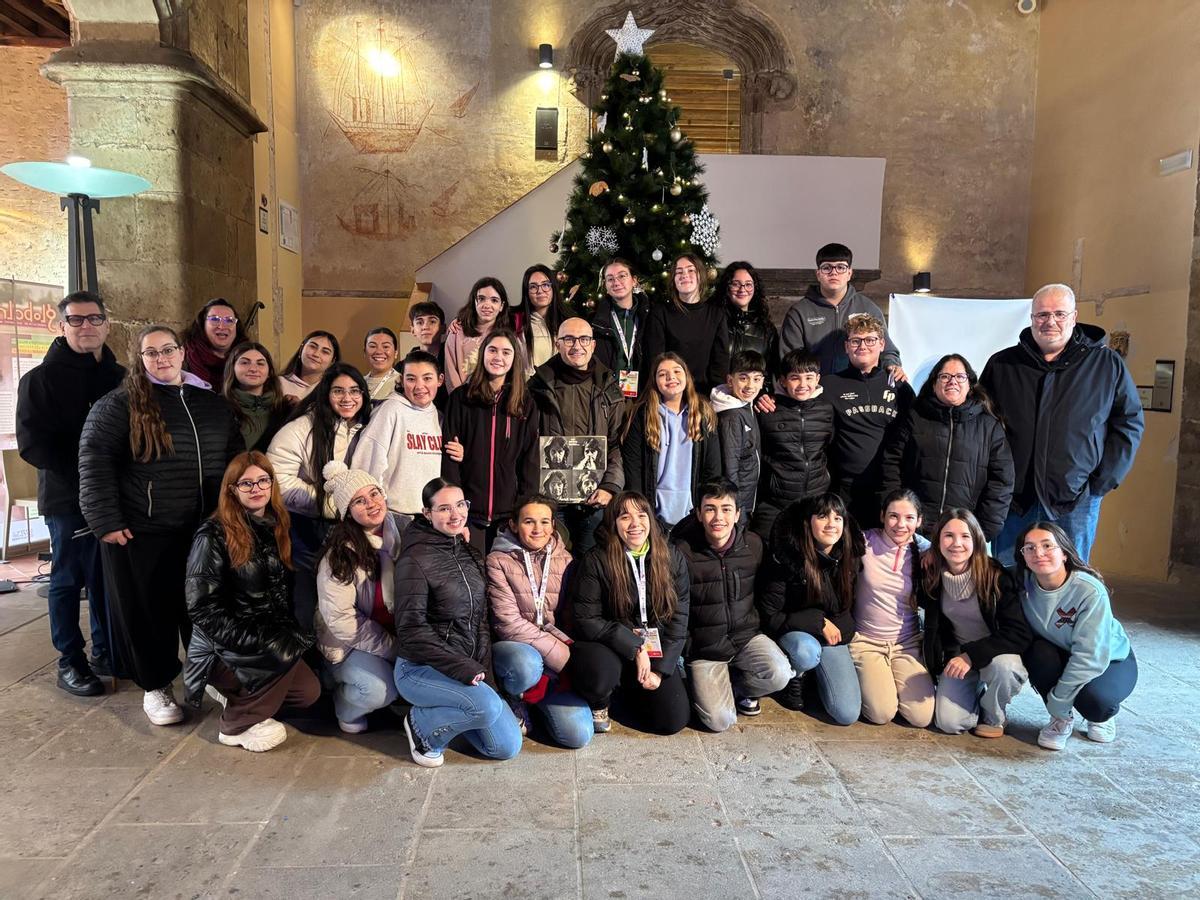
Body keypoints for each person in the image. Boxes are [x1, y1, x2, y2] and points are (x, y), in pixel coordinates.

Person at [79, 324, 242, 726]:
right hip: (143, 530)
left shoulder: (211, 403)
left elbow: (236, 459)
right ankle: (156, 686)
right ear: (141, 359)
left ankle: (206, 675)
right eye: (151, 353)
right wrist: (105, 520)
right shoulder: (120, 404)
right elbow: (94, 462)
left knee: (203, 608)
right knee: (149, 613)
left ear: (182, 352)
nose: (161, 358)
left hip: (203, 529)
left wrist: (235, 513)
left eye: (167, 349)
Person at [981, 284, 1144, 565]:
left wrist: (1103, 481)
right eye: (1042, 315)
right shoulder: (1003, 364)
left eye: (1059, 313)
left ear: (1074, 316)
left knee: (1071, 583)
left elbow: (1129, 421)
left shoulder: (1106, 364)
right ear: (1032, 319)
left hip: (1076, 500)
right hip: (1014, 499)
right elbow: (981, 422)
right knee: (1008, 583)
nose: (1050, 322)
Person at [16, 290, 124, 696]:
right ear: (60, 326)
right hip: (68, 498)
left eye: (94, 319)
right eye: (76, 320)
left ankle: (106, 651)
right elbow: (34, 445)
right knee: (67, 578)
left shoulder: (120, 376)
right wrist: (87, 476)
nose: (86, 327)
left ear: (106, 324)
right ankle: (70, 661)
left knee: (105, 577)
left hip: (115, 497)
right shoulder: (39, 380)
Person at [183, 452, 319, 752]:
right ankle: (235, 723)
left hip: (264, 634)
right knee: (285, 656)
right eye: (246, 484)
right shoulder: (213, 534)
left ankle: (241, 694)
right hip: (224, 646)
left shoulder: (277, 524)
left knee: (308, 693)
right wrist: (262, 643)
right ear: (232, 489)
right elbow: (202, 609)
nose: (256, 488)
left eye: (263, 480)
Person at [393, 479, 523, 767]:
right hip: (420, 668)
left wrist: (488, 679)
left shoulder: (467, 551)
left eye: (460, 505)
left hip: (466, 666)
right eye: (443, 508)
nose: (455, 515)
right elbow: (411, 630)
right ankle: (422, 728)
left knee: (506, 746)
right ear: (426, 513)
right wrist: (462, 668)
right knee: (485, 706)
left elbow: (480, 623)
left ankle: (461, 709)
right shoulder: (413, 559)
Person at [566, 491, 691, 735]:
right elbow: (586, 619)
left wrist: (661, 669)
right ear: (613, 522)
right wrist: (634, 647)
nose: (635, 523)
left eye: (641, 515)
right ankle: (601, 700)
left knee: (672, 721)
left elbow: (679, 616)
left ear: (651, 521)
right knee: (600, 674)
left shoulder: (671, 556)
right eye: (624, 517)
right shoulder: (597, 559)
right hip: (610, 644)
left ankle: (630, 692)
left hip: (653, 645)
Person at [673, 481, 794, 731]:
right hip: (705, 647)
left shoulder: (753, 545)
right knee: (720, 721)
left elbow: (767, 591)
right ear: (698, 513)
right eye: (710, 509)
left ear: (738, 513)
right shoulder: (682, 552)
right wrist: (688, 645)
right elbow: (673, 604)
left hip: (745, 636)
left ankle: (739, 686)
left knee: (780, 673)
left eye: (726, 509)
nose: (719, 517)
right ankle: (710, 688)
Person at [1014, 521, 1137, 751]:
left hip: (1108, 657)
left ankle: (1099, 716)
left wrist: (1058, 701)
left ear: (1064, 553)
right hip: (1058, 650)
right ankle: (1062, 721)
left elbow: (1089, 655)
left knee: (1097, 704)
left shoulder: (1088, 590)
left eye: (1047, 545)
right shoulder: (1022, 583)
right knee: (1037, 652)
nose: (1038, 553)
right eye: (1029, 547)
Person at [268, 364, 371, 630]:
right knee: (309, 595)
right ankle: (307, 655)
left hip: (354, 525)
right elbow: (278, 477)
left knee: (349, 594)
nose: (347, 398)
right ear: (325, 393)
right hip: (309, 526)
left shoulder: (368, 426)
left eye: (354, 391)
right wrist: (325, 502)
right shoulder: (303, 427)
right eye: (338, 391)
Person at [486, 494, 593, 748]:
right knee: (526, 664)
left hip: (553, 661)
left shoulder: (565, 560)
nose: (538, 529)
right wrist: (559, 653)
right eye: (529, 522)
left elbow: (571, 615)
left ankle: (541, 699)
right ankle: (515, 695)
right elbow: (508, 623)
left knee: (578, 735)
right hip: (515, 650)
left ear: (554, 525)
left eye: (545, 522)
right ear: (514, 525)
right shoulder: (498, 560)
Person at [315, 462, 410, 734]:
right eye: (359, 500)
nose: (371, 504)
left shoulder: (405, 530)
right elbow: (342, 621)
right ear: (347, 513)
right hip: (351, 643)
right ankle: (344, 702)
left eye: (374, 493)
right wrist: (394, 648)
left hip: (398, 636)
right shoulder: (338, 556)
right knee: (378, 690)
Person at [921, 509, 1031, 738]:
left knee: (1005, 669)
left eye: (965, 536)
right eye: (948, 535)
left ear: (977, 540)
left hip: (995, 654)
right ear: (938, 540)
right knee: (949, 723)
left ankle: (994, 714)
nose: (956, 543)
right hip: (959, 657)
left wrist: (971, 656)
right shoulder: (933, 576)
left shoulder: (996, 576)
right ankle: (978, 694)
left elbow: (1019, 633)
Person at [758, 492, 864, 725]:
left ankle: (815, 679)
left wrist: (838, 629)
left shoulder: (849, 558)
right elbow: (769, 615)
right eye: (823, 517)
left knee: (846, 713)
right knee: (806, 651)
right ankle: (796, 676)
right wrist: (819, 623)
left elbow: (847, 613)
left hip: (828, 639)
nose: (831, 524)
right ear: (808, 522)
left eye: (838, 518)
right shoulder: (787, 557)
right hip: (792, 633)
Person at [882, 354, 1013, 541]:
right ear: (934, 384)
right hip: (915, 531)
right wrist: (897, 515)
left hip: (962, 535)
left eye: (960, 376)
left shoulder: (989, 427)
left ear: (970, 385)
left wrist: (983, 531)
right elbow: (890, 465)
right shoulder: (915, 419)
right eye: (945, 376)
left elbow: (1002, 481)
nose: (952, 382)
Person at [528, 317, 626, 553]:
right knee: (552, 566)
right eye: (569, 339)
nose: (576, 346)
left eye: (583, 339)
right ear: (557, 343)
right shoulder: (537, 387)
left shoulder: (610, 388)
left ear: (593, 345)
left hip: (594, 499)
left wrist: (610, 486)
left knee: (589, 565)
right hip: (549, 501)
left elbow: (616, 444)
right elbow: (527, 443)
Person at [442, 329, 540, 552]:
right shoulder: (461, 398)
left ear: (514, 359)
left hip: (508, 518)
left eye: (506, 352)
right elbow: (449, 459)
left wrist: (523, 510)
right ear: (483, 354)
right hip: (468, 514)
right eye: (492, 350)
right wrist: (456, 509)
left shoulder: (525, 403)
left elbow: (530, 461)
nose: (498, 357)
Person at [848, 490, 934, 728]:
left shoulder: (925, 552)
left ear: (919, 521)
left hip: (906, 644)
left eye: (909, 518)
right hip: (866, 641)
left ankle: (892, 681)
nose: (900, 524)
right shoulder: (864, 542)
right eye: (893, 516)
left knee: (921, 717)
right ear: (882, 516)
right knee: (881, 713)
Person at [822, 314, 914, 526]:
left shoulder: (898, 386)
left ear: (882, 345)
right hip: (843, 492)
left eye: (870, 340)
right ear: (847, 347)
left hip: (889, 490)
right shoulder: (829, 385)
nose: (863, 346)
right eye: (856, 341)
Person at [622, 353, 720, 529]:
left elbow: (712, 469)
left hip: (691, 511)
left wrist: (704, 507)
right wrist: (641, 510)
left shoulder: (703, 413)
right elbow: (633, 467)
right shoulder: (642, 415)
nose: (671, 377)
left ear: (687, 376)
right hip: (654, 510)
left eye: (677, 371)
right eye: (662, 374)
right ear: (654, 381)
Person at [778, 243, 905, 378]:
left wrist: (892, 365)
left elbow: (887, 350)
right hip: (815, 392)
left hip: (858, 387)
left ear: (849, 273)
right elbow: (789, 359)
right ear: (818, 274)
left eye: (841, 267)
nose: (834, 272)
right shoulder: (799, 312)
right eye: (827, 268)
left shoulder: (868, 308)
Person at [751, 349, 835, 541]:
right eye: (795, 378)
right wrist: (760, 398)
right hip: (775, 503)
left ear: (818, 379)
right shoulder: (767, 409)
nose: (803, 384)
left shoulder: (826, 409)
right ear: (782, 381)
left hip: (815, 502)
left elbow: (829, 447)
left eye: (809, 377)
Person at [352, 350, 444, 516]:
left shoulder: (440, 418)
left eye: (427, 378)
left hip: (430, 516)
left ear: (440, 380)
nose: (419, 386)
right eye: (411, 379)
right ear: (401, 380)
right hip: (394, 514)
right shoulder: (390, 410)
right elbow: (366, 463)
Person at [641, 252, 731, 392]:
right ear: (673, 280)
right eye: (679, 272)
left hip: (704, 395)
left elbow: (720, 365)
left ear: (700, 276)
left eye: (691, 270)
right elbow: (656, 362)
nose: (684, 275)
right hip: (669, 393)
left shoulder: (716, 315)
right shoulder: (660, 313)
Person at [711, 350, 766, 519]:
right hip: (738, 503)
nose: (750, 386)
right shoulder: (732, 415)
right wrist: (735, 509)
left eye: (756, 379)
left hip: (747, 496)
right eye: (743, 378)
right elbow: (730, 467)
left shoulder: (746, 406)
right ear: (730, 380)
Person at [590, 257, 648, 399]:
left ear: (634, 280)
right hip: (606, 398)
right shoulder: (594, 322)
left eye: (622, 276)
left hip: (644, 397)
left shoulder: (650, 316)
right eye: (610, 279)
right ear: (605, 286)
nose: (616, 282)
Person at [444, 277, 515, 390]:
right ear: (474, 302)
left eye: (494, 300)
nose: (487, 305)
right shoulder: (456, 332)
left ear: (502, 306)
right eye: (481, 299)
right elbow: (450, 372)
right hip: (461, 400)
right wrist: (458, 399)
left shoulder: (506, 338)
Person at [222, 341, 288, 452]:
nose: (253, 369)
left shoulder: (285, 409)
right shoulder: (218, 407)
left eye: (260, 363)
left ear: (269, 372)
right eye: (245, 363)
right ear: (232, 368)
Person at [717, 261, 778, 368]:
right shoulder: (714, 322)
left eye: (748, 284)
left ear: (755, 288)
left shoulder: (767, 330)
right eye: (736, 284)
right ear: (727, 287)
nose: (742, 289)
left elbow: (772, 372)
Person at [181, 298, 247, 388]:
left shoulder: (249, 356)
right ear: (202, 324)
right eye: (214, 319)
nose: (221, 326)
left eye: (229, 320)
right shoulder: (182, 357)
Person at [520, 265, 569, 369]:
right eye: (533, 287)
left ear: (553, 288)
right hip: (526, 383)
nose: (540, 291)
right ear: (527, 292)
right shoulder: (517, 323)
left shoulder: (567, 322)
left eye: (546, 285)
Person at [278, 330, 340, 403]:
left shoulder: (335, 391)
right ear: (301, 349)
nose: (316, 354)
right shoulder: (277, 383)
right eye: (313, 346)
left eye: (325, 352)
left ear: (332, 361)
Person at [363, 327, 401, 405]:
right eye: (373, 346)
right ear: (364, 352)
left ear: (396, 353)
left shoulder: (403, 383)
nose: (379, 351)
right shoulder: (357, 383)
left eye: (386, 347)